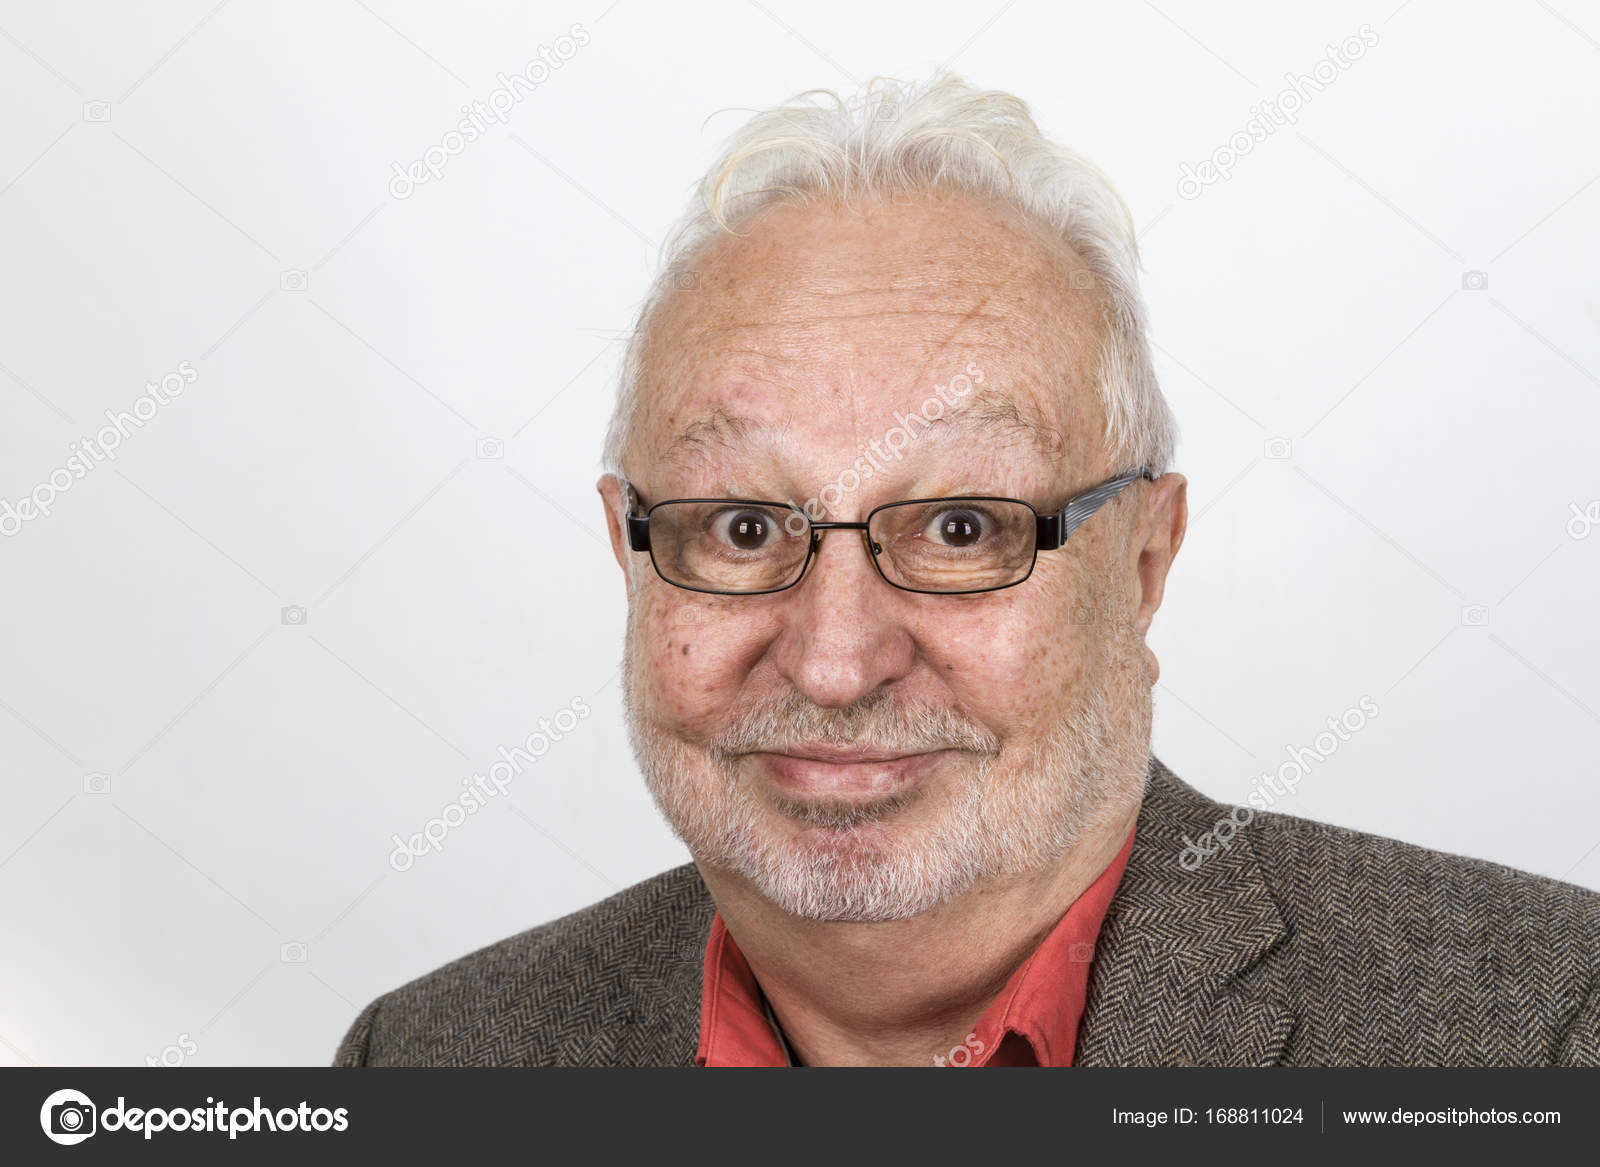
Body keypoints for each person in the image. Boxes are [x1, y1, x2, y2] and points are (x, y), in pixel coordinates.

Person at [335, 73, 1599, 1067]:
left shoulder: (1547, 1031)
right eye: (740, 529)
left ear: (1144, 564)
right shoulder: (427, 1064)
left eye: (959, 530)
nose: (834, 663)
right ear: (631, 556)